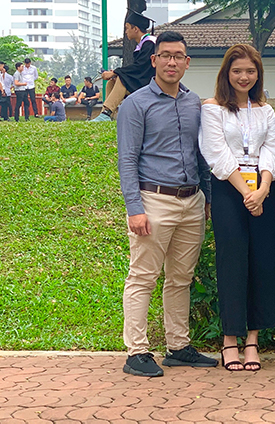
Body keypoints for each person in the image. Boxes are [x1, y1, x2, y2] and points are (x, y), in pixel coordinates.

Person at [117, 30, 217, 377]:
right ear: (154, 60)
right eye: (165, 55)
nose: (172, 61)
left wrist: (206, 197)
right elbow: (127, 160)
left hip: (192, 201)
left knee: (180, 278)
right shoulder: (135, 104)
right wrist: (135, 208)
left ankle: (178, 346)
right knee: (142, 276)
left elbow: (200, 154)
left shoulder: (194, 103)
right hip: (153, 199)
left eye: (178, 56)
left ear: (187, 63)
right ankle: (137, 351)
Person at [199, 44, 275, 371]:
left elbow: (272, 151)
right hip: (228, 191)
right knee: (232, 264)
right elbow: (217, 154)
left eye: (250, 71)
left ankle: (252, 342)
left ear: (258, 74)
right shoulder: (212, 108)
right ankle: (229, 341)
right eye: (237, 71)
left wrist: (262, 190)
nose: (244, 77)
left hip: (262, 192)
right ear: (226, 74)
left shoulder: (264, 110)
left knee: (261, 264)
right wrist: (247, 193)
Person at [92, 10, 156, 121]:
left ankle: (107, 113)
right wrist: (116, 74)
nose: (126, 31)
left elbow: (141, 68)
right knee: (112, 82)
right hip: (142, 80)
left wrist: (115, 72)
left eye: (127, 28)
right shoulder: (143, 43)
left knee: (122, 79)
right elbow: (138, 68)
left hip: (150, 82)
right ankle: (106, 114)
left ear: (135, 29)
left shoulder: (150, 43)